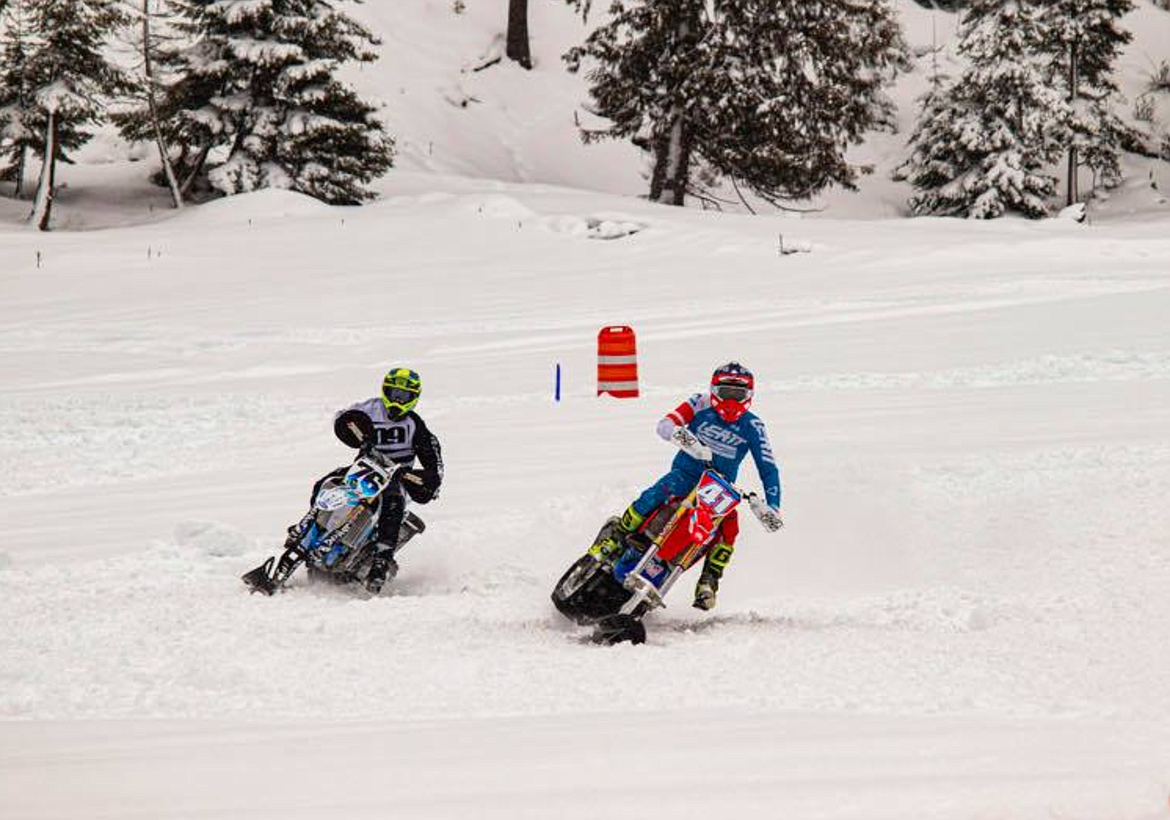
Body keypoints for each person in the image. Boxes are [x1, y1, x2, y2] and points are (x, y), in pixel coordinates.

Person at [590, 362, 781, 611]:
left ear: (749, 396)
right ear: (714, 391)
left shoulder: (754, 426)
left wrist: (773, 507)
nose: (731, 400)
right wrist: (690, 443)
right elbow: (665, 425)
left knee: (730, 527)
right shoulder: (699, 403)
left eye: (738, 394)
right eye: (726, 393)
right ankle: (616, 536)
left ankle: (708, 581)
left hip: (718, 487)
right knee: (656, 494)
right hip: (687, 474)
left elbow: (768, 467)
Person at [309, 367, 444, 593]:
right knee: (324, 482)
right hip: (363, 469)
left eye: (404, 396)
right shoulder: (369, 410)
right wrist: (353, 430)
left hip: (396, 478)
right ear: (385, 391)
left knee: (392, 500)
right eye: (393, 394)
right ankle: (311, 530)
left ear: (413, 398)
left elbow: (433, 458)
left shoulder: (414, 425)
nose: (397, 401)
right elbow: (344, 418)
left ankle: (382, 557)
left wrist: (430, 480)